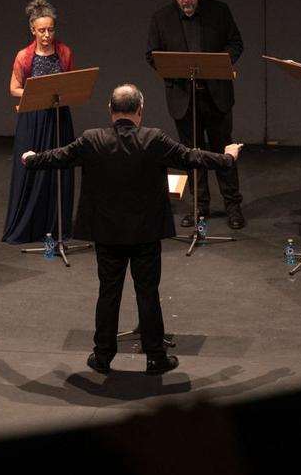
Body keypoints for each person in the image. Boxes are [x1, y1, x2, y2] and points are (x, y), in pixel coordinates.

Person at [22, 84, 241, 374]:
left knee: (108, 292)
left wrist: (30, 159)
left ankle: (102, 356)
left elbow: (57, 158)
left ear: (110, 110)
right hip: (144, 233)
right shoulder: (154, 139)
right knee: (147, 292)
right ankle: (155, 357)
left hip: (107, 233)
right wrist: (228, 158)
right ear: (140, 109)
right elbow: (192, 157)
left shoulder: (91, 139)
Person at [146, 0, 246, 230]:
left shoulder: (219, 11)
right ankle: (198, 206)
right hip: (183, 97)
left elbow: (236, 43)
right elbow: (152, 54)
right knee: (191, 154)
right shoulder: (161, 18)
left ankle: (233, 206)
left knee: (224, 150)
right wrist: (171, 71)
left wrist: (222, 63)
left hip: (217, 95)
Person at [2, 0, 76, 244]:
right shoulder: (24, 56)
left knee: (59, 168)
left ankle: (57, 225)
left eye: (50, 30)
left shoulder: (64, 52)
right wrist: (40, 91)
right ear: (33, 30)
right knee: (31, 167)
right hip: (33, 118)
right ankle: (29, 226)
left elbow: (72, 83)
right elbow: (14, 88)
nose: (47, 35)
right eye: (41, 30)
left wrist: (57, 92)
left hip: (58, 117)